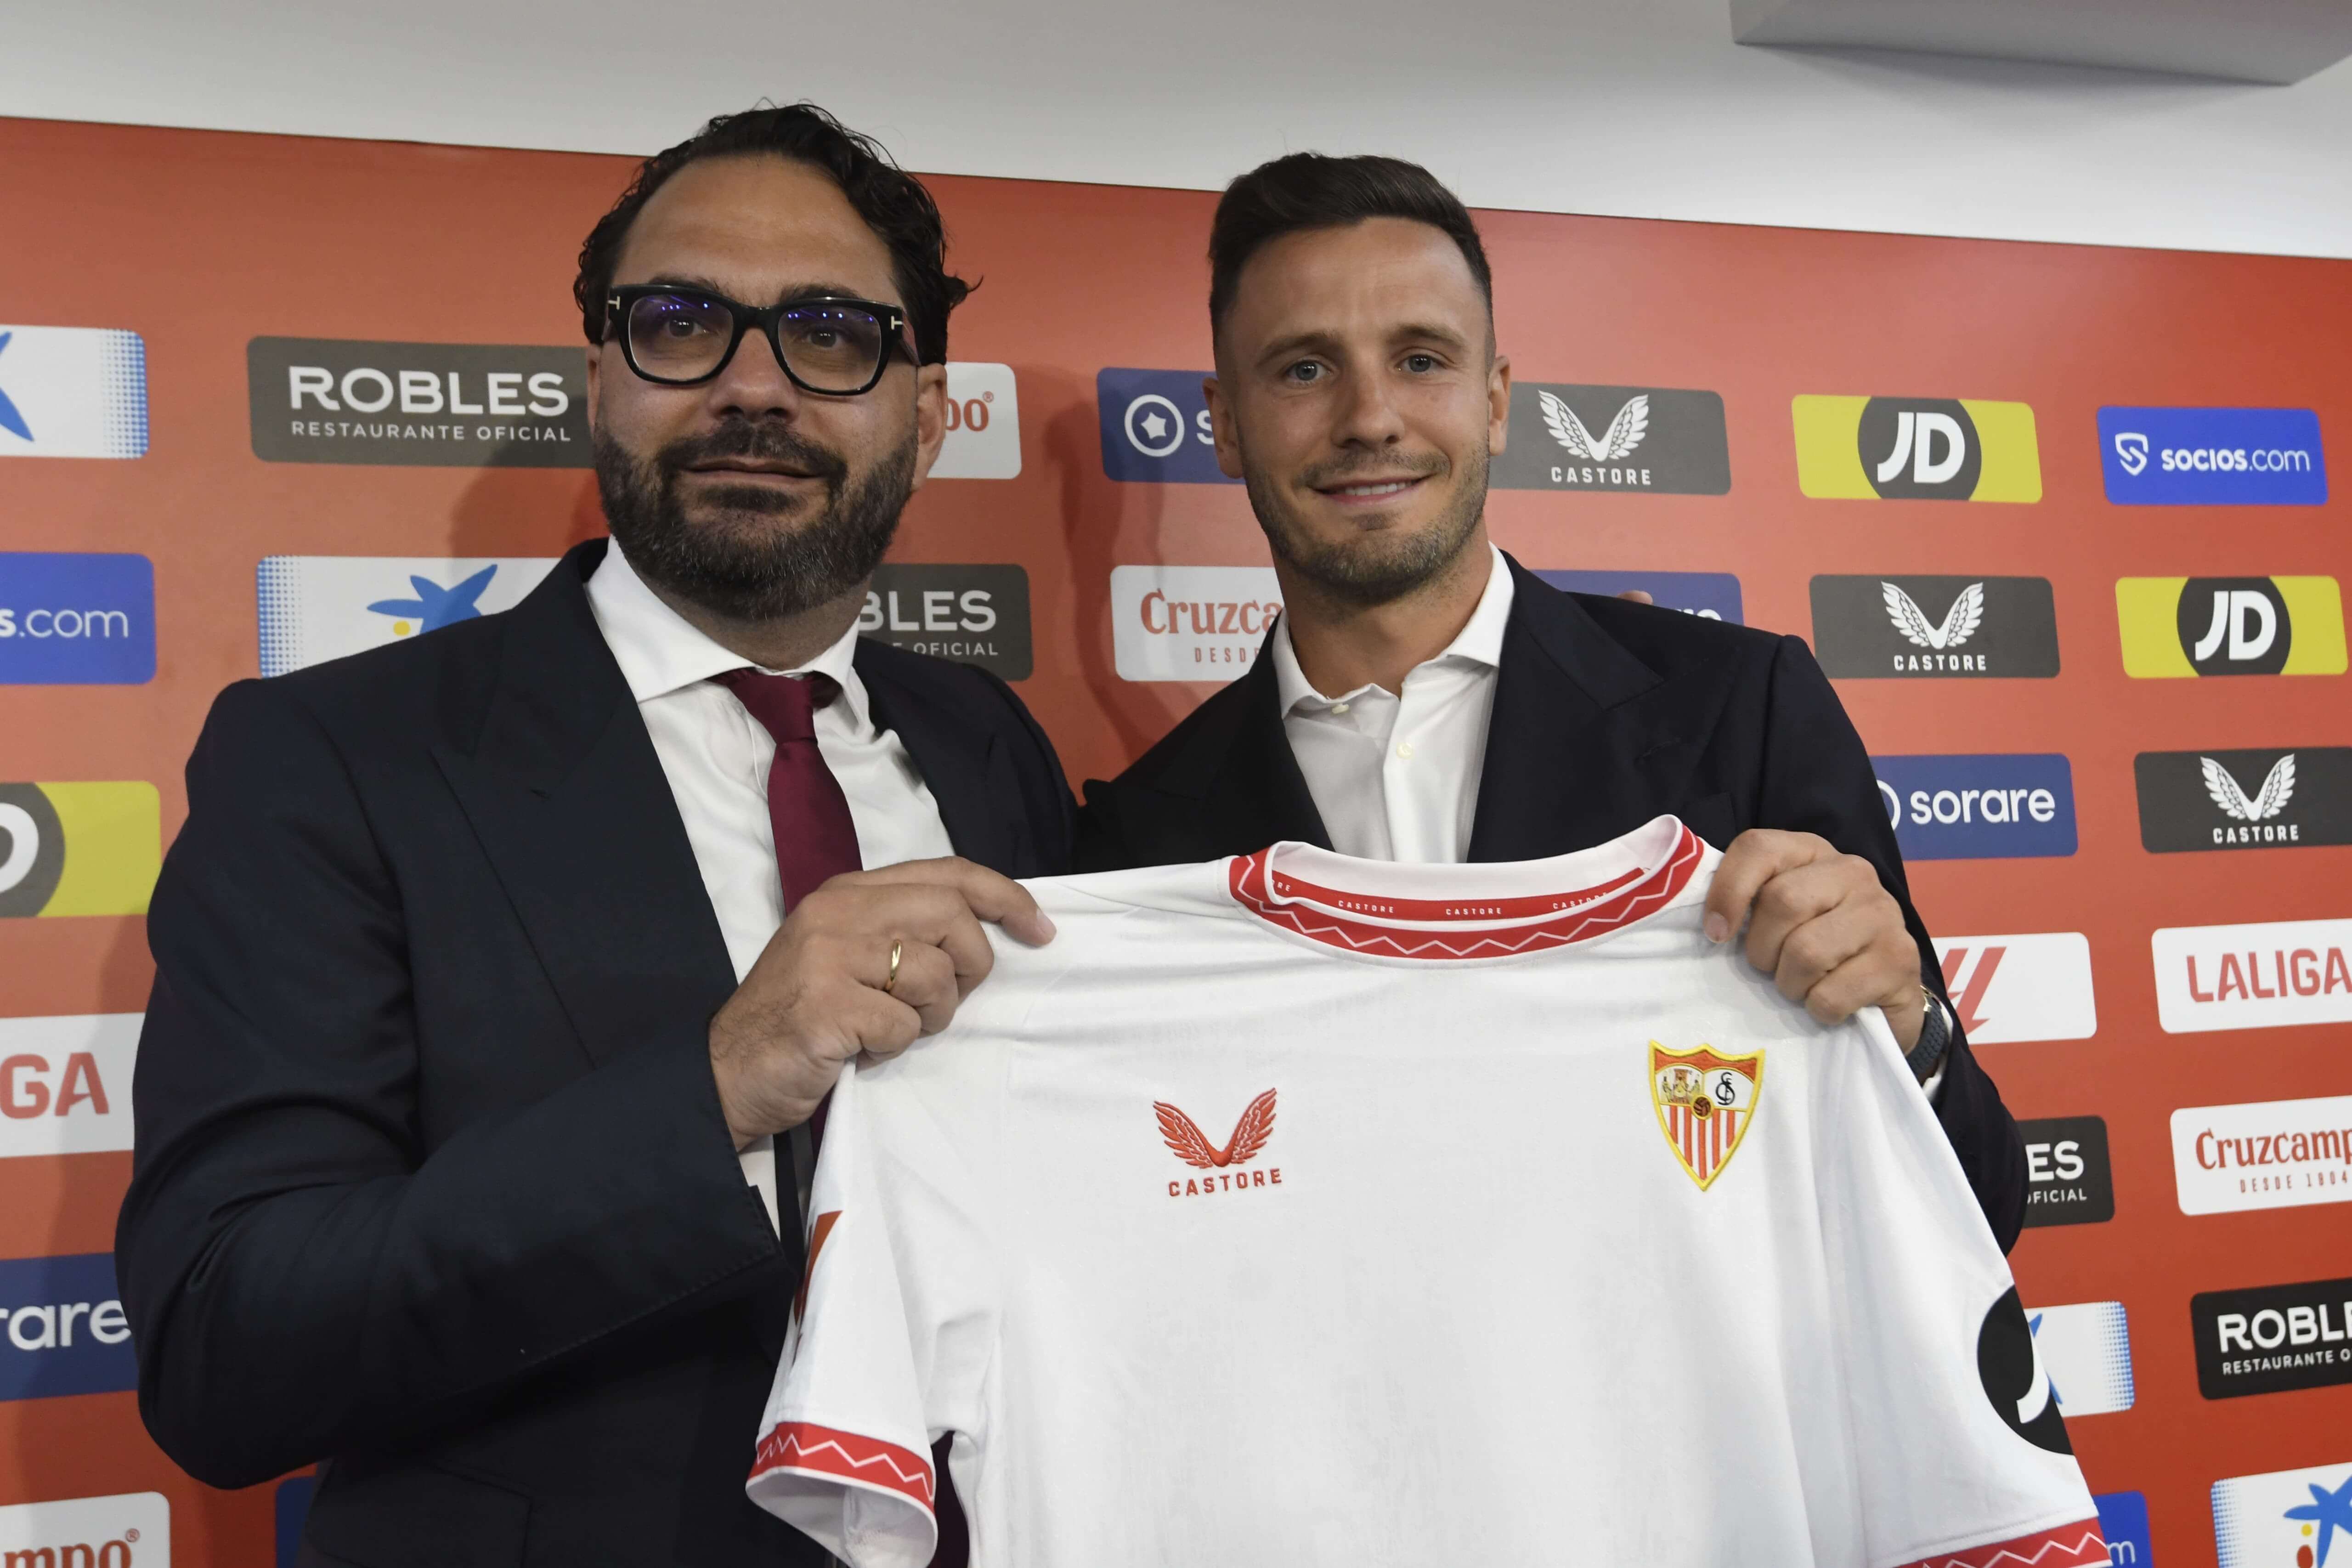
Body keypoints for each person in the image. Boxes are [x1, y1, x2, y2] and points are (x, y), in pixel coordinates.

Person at [116, 105, 1067, 1566]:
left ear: (928, 416)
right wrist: (719, 1084)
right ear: (599, 383)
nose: (753, 386)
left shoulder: (992, 745)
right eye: (681, 321)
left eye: (830, 333)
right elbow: (226, 1342)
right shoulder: (334, 759)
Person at [1078, 153, 2026, 1243]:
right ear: (1227, 426)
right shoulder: (1137, 841)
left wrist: (1908, 1031)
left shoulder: (1740, 708)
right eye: (1302, 371)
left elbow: (1981, 1206)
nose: (1370, 416)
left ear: (1493, 402)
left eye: (1421, 359)